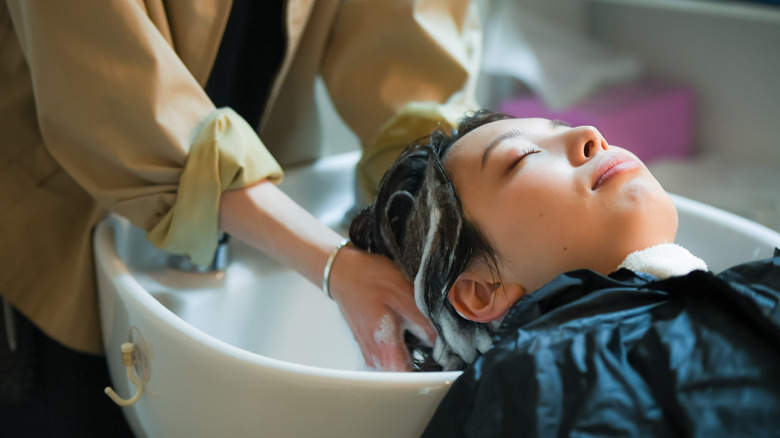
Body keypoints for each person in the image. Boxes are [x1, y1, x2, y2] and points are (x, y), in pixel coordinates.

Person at [0, 0, 480, 435]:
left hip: (270, 217)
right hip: (64, 235)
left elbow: (404, 45)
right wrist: (336, 264)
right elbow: (110, 85)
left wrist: (447, 212)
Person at [350, 109, 780, 436]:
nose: (589, 133)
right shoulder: (529, 389)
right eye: (521, 157)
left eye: (564, 127)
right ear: (481, 291)